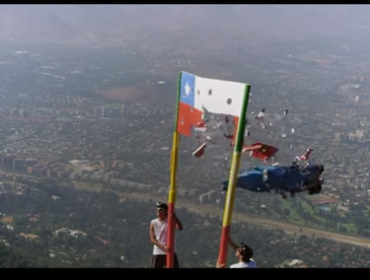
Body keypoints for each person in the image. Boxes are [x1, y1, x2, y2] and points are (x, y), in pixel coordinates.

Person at [149, 201, 183, 268]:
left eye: (160, 210)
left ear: (165, 211)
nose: (158, 211)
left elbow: (180, 228)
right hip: (158, 252)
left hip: (170, 251)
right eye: (157, 209)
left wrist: (175, 218)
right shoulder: (153, 222)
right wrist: (163, 246)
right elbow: (152, 239)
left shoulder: (170, 221)